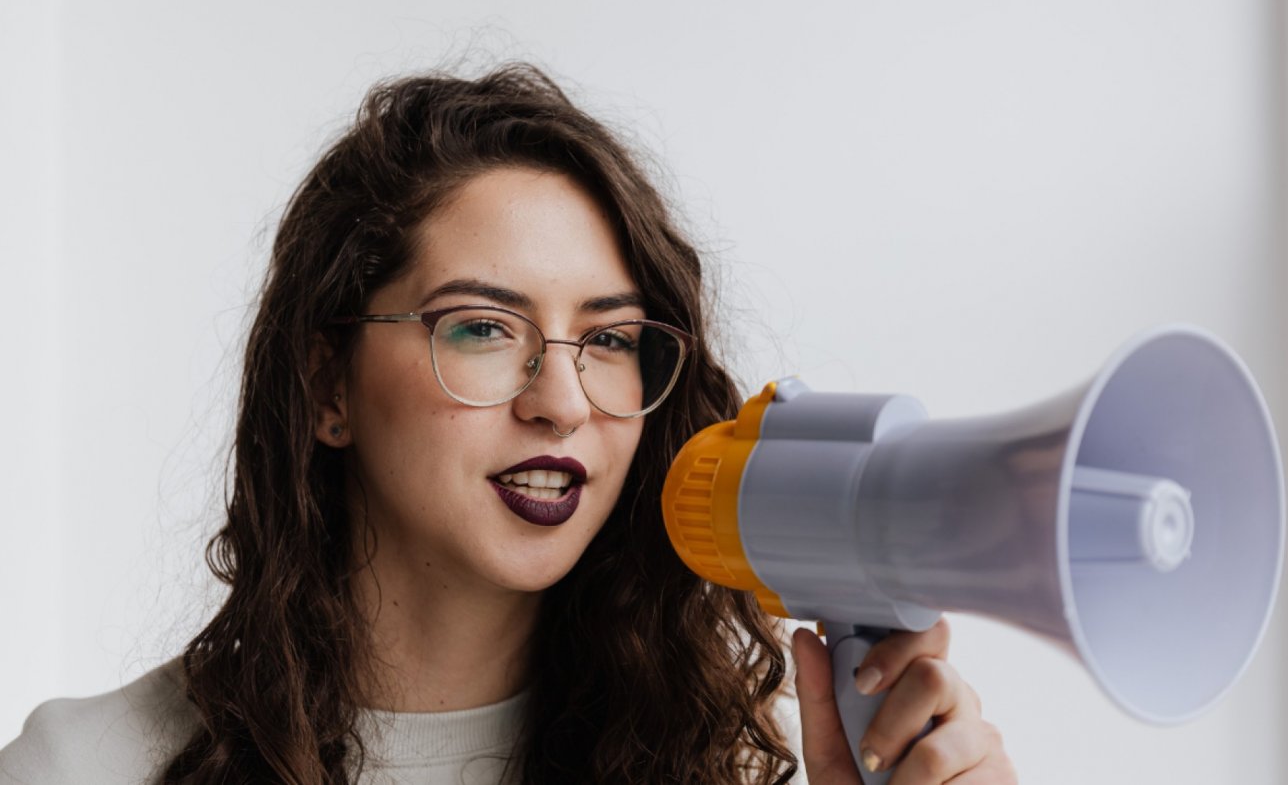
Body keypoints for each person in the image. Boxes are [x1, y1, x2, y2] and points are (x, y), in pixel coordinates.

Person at [0, 63, 1016, 784]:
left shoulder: (731, 768)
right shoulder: (85, 769)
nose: (562, 401)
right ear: (327, 387)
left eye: (609, 339)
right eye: (484, 327)